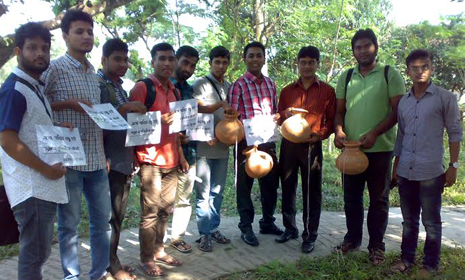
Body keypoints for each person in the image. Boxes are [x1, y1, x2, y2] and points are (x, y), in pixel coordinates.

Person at [42, 10, 113, 280]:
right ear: (65, 36)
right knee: (69, 226)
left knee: (102, 224)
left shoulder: (92, 72)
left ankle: (99, 273)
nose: (86, 36)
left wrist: (105, 154)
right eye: (79, 31)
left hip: (96, 159)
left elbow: (96, 115)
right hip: (68, 160)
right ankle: (71, 276)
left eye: (89, 32)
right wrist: (68, 105)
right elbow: (37, 105)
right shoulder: (54, 68)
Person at [0, 22, 71, 280]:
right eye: (32, 48)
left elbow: (29, 129)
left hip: (41, 186)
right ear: (18, 51)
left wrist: (55, 126)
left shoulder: (35, 87)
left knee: (38, 254)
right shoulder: (14, 89)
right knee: (34, 256)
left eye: (45, 48)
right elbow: (7, 140)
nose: (40, 53)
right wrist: (45, 169)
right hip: (32, 187)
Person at [333, 28, 406, 265]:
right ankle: (352, 240)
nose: (362, 51)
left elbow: (398, 112)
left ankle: (376, 246)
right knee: (351, 199)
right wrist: (339, 131)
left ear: (375, 47)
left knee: (379, 200)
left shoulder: (389, 74)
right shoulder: (346, 76)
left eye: (367, 46)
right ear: (353, 51)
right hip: (351, 152)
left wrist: (374, 132)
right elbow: (339, 111)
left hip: (381, 150)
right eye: (358, 47)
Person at [390, 49, 462, 277]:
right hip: (405, 171)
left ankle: (430, 264)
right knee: (408, 221)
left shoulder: (444, 98)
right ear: (408, 71)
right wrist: (395, 167)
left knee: (431, 222)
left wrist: (454, 165)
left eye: (425, 67)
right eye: (415, 67)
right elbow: (401, 135)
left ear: (431, 68)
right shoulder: (404, 102)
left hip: (431, 171)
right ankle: (406, 260)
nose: (420, 71)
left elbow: (455, 132)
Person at [129, 42, 187, 277]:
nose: (167, 63)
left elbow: (176, 130)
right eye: (162, 58)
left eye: (170, 59)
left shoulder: (175, 90)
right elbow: (132, 125)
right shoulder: (143, 87)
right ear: (152, 61)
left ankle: (159, 250)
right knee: (150, 214)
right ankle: (146, 258)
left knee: (165, 211)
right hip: (150, 161)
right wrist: (158, 121)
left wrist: (181, 156)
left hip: (172, 161)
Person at [275, 46, 336, 253]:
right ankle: (289, 228)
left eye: (311, 62)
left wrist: (321, 134)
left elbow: (331, 119)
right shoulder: (287, 91)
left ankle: (310, 235)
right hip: (289, 145)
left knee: (312, 191)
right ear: (298, 64)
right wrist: (285, 112)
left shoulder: (327, 91)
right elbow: (279, 117)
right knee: (288, 186)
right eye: (303, 62)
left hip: (312, 146)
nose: (307, 66)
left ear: (318, 64)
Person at [98, 38, 145, 280]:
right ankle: (109, 267)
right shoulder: (98, 85)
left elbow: (124, 126)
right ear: (103, 59)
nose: (123, 64)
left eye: (125, 59)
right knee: (108, 218)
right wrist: (125, 109)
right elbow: (97, 124)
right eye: (117, 58)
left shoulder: (119, 87)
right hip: (107, 162)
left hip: (123, 160)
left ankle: (111, 261)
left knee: (117, 216)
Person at [228, 41, 283, 247]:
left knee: (270, 185)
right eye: (250, 56)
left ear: (264, 58)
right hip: (246, 145)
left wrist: (276, 116)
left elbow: (275, 111)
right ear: (245, 59)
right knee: (245, 186)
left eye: (258, 55)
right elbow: (232, 118)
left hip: (268, 142)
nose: (254, 59)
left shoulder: (271, 84)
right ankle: (246, 226)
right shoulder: (238, 85)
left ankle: (267, 222)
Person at [192, 46, 232, 252]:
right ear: (210, 63)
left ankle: (214, 228)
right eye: (217, 62)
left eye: (225, 62)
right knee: (203, 192)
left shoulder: (230, 86)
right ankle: (204, 234)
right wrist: (207, 133)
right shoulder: (200, 84)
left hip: (223, 147)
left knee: (218, 191)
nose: (221, 66)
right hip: (204, 148)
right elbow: (195, 110)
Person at [168, 45, 199, 254]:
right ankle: (154, 244)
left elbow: (192, 119)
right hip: (165, 155)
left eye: (193, 65)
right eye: (185, 62)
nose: (188, 68)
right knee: (160, 203)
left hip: (189, 154)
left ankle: (177, 237)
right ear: (175, 60)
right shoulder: (162, 86)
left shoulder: (189, 89)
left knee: (184, 200)